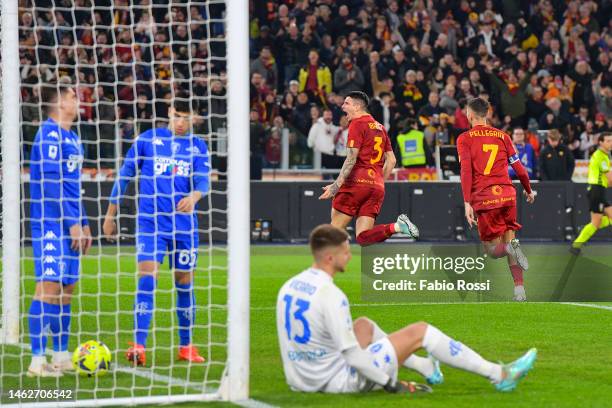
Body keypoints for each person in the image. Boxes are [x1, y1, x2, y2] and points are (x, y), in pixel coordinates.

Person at [276, 224, 537, 393]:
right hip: (338, 381)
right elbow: (354, 357)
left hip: (301, 380)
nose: (351, 256)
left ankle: (425, 366)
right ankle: (500, 374)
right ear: (330, 257)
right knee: (421, 331)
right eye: (346, 252)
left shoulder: (290, 285)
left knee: (364, 325)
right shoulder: (331, 295)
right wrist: (394, 385)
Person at [103, 99, 210, 366]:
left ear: (194, 118)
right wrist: (109, 215)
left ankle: (186, 347)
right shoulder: (148, 140)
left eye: (186, 117)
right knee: (147, 281)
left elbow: (203, 180)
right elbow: (125, 175)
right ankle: (139, 345)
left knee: (184, 285)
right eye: (177, 116)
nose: (181, 122)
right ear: (168, 114)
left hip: (185, 227)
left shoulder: (197, 145)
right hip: (151, 226)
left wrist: (194, 196)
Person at [28, 83, 92, 377]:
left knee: (67, 290)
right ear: (60, 104)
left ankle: (62, 355)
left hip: (72, 225)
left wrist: (85, 223)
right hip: (51, 226)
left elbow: (73, 187)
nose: (78, 101)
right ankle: (37, 360)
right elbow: (52, 187)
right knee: (48, 288)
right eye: (73, 97)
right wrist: (72, 224)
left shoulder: (74, 139)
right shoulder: (48, 134)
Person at [457, 97, 536, 301]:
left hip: (485, 198)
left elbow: (466, 171)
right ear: (487, 114)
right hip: (508, 195)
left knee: (492, 251)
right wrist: (528, 190)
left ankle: (511, 249)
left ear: (470, 114)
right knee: (511, 239)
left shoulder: (464, 139)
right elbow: (519, 168)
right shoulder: (503, 136)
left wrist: (467, 202)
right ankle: (519, 290)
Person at [318, 91, 419, 246]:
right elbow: (391, 160)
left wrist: (335, 186)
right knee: (363, 238)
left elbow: (351, 159)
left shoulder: (357, 124)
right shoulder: (381, 127)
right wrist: (378, 181)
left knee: (333, 233)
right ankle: (398, 226)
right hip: (376, 187)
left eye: (346, 103)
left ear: (357, 107)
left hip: (355, 184)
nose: (342, 106)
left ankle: (322, 268)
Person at [571, 133, 612, 254]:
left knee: (596, 222)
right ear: (600, 142)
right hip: (597, 191)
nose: (611, 143)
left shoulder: (602, 155)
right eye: (608, 141)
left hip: (597, 190)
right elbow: (610, 179)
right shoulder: (601, 156)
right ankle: (576, 245)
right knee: (595, 223)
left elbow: (608, 181)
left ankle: (576, 245)